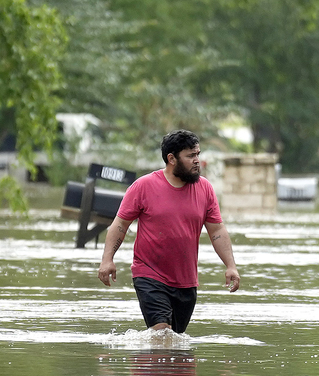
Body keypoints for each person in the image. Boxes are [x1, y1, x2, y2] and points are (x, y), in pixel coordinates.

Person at [97, 130, 240, 333]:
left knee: (175, 340)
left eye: (198, 154)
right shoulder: (143, 187)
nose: (197, 160)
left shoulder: (205, 189)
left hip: (186, 281)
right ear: (171, 158)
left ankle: (150, 364)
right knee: (162, 332)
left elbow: (217, 231)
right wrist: (107, 260)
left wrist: (231, 266)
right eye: (190, 156)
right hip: (149, 274)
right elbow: (120, 225)